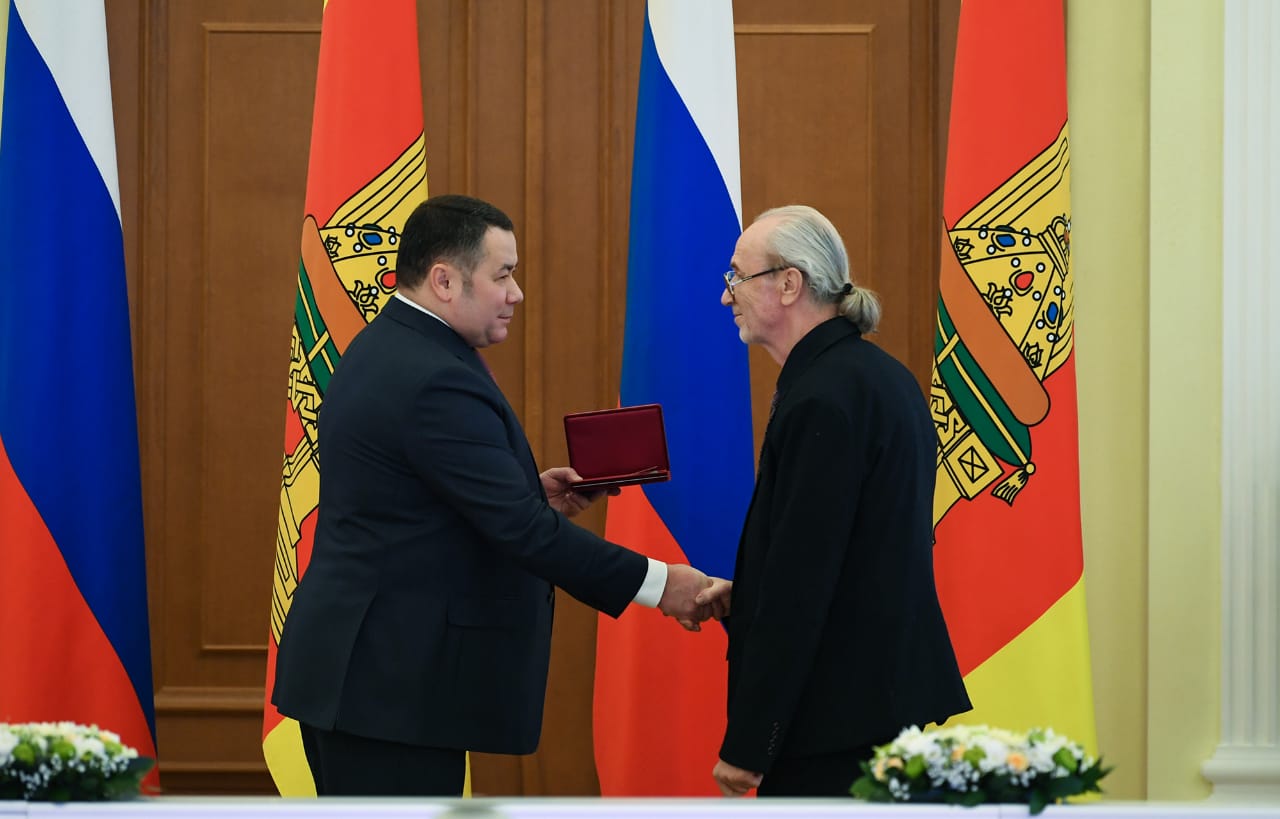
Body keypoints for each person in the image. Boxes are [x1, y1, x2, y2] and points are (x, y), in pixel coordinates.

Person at [271, 193, 711, 796]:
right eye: (503, 275)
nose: (516, 293)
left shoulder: (395, 346)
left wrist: (525, 496)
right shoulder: (434, 376)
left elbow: (413, 499)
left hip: (369, 684)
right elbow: (523, 535)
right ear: (444, 280)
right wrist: (662, 585)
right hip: (387, 695)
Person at [699, 205, 972, 797]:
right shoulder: (878, 376)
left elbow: (804, 582)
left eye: (737, 276)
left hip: (833, 724)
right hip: (877, 706)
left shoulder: (822, 397)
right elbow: (855, 552)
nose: (726, 296)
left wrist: (750, 743)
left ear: (789, 283)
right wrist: (750, 595)